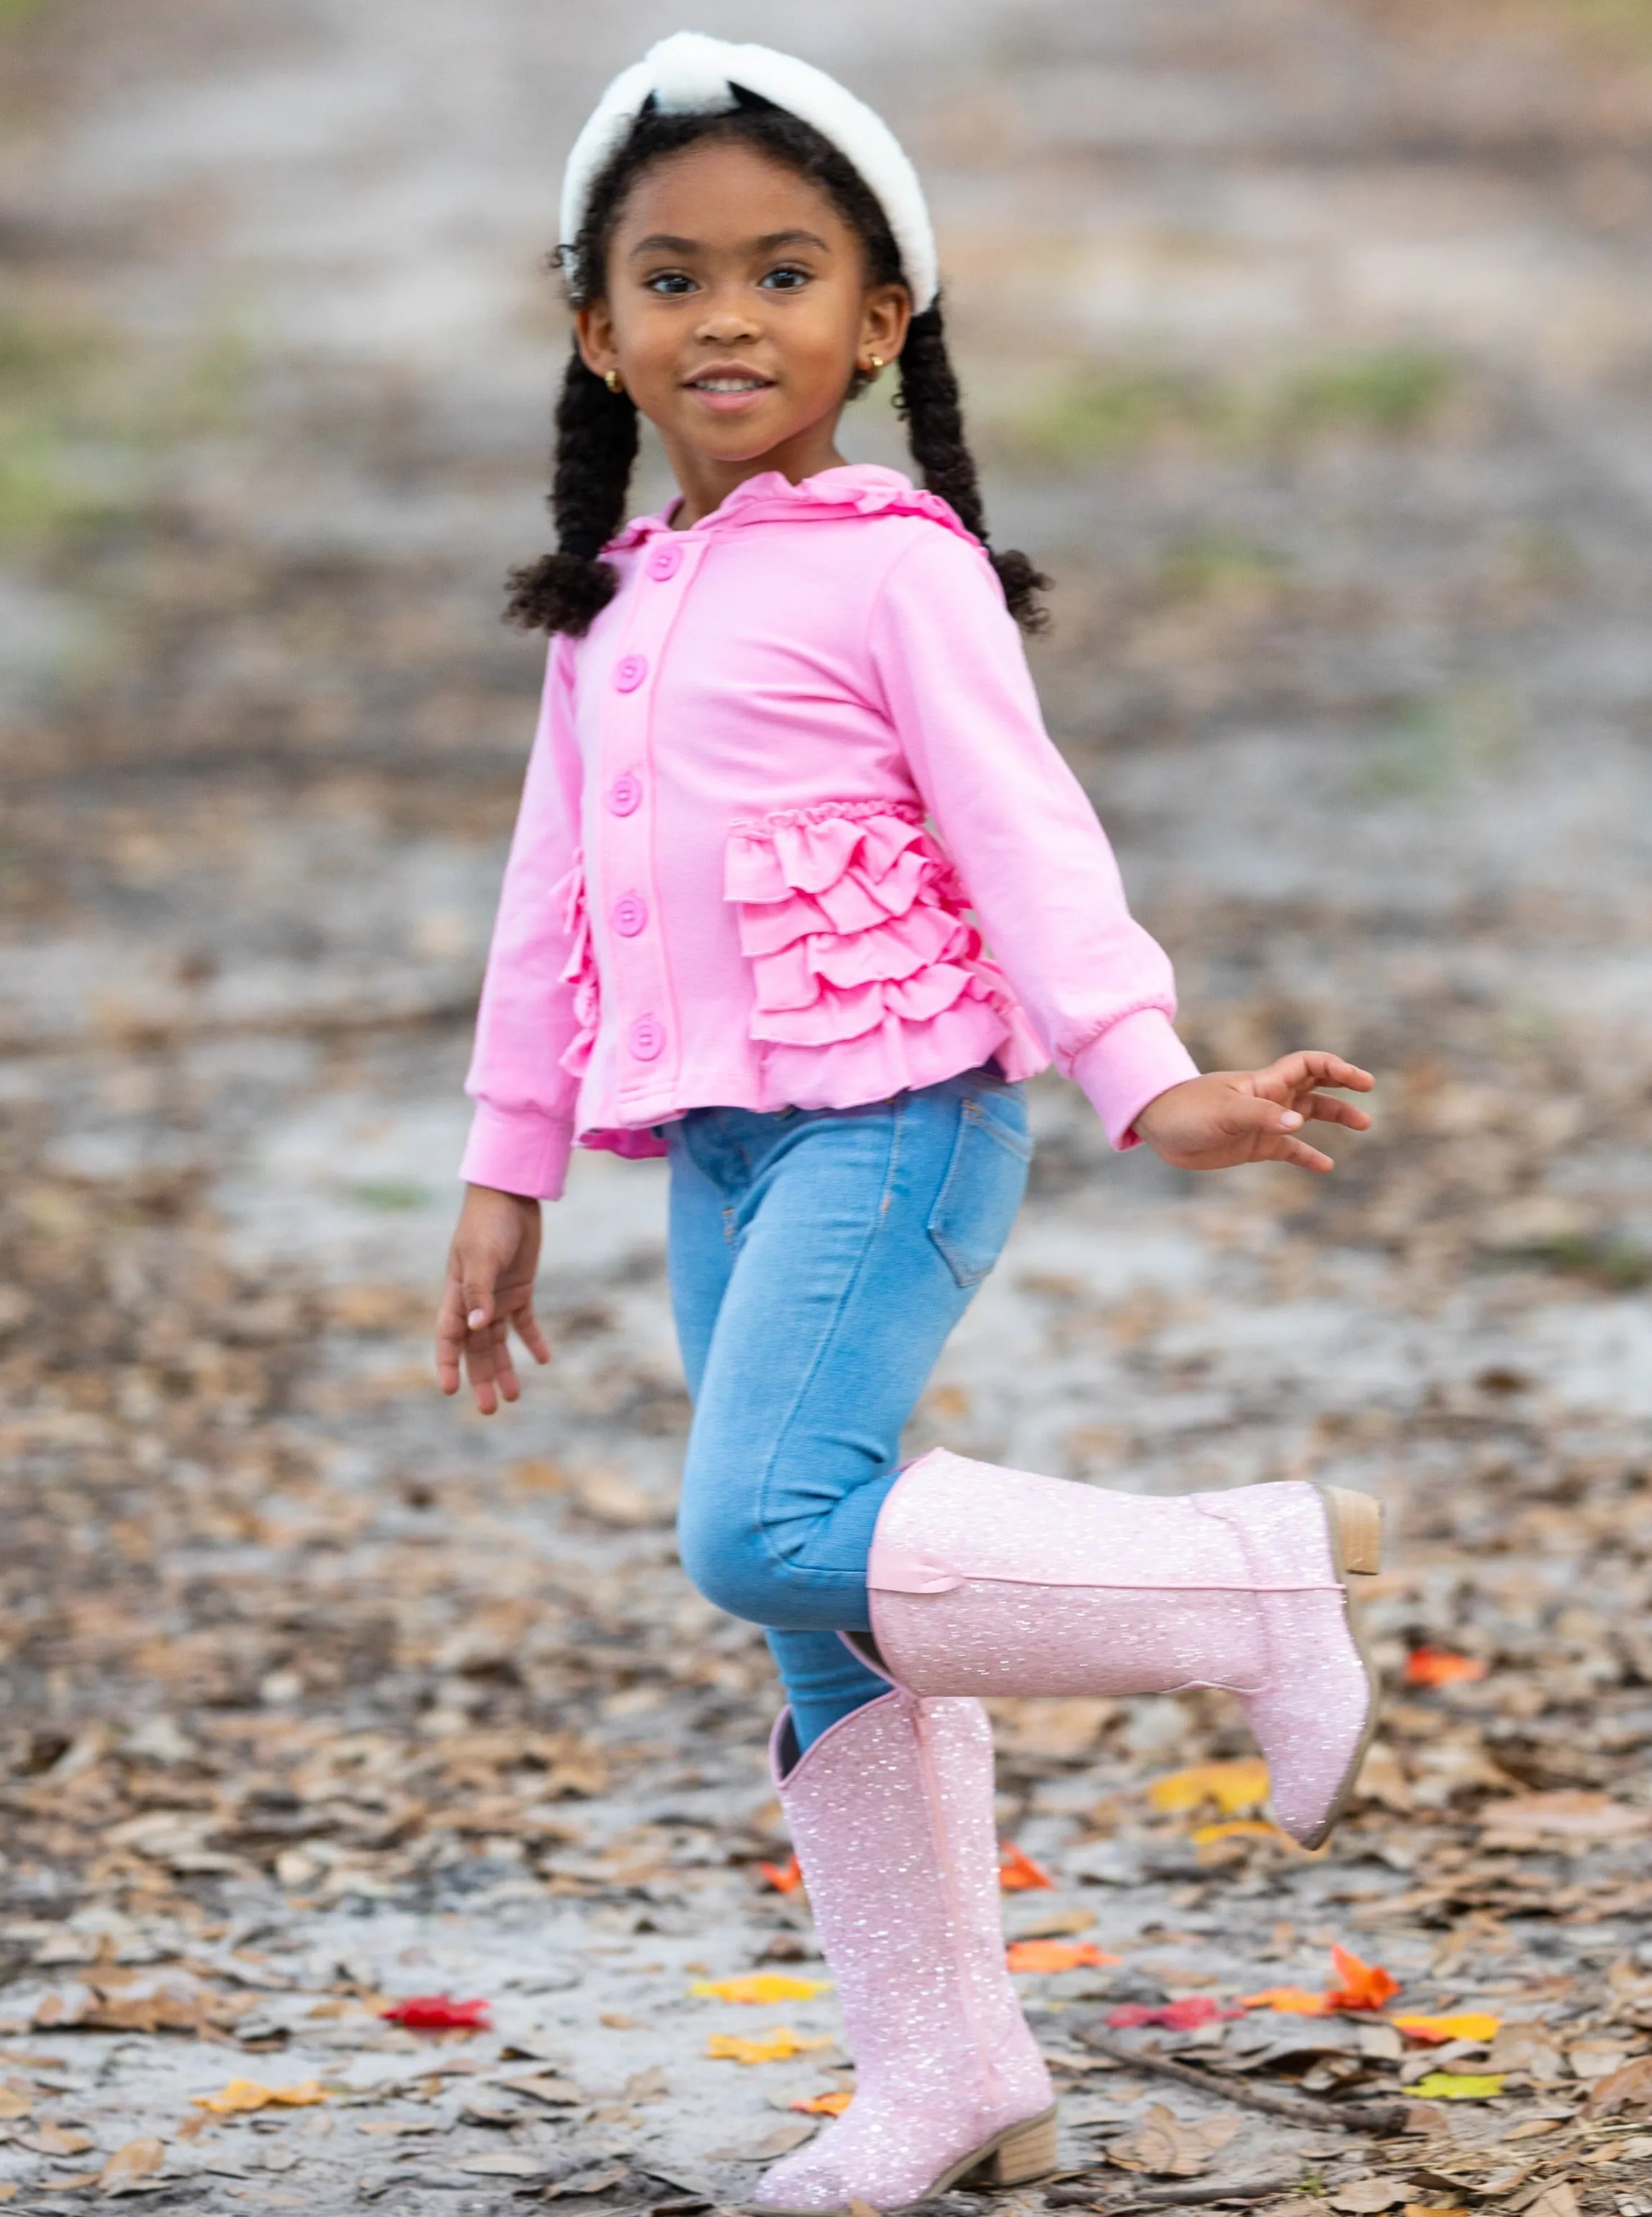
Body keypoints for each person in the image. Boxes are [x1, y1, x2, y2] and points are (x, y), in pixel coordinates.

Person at [434, 35, 1381, 2214]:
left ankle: (1247, 1575)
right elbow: (542, 898)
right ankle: (950, 2071)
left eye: (784, 273)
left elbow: (1024, 839)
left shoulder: (899, 567)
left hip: (896, 1122)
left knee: (762, 1524)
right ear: (598, 329)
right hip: (725, 1149)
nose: (728, 318)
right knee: (817, 1609)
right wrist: (506, 1162)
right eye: (673, 280)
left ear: (881, 320)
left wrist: (1148, 1073)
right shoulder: (614, 612)